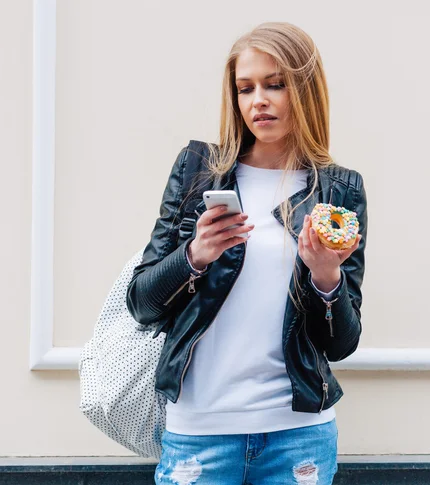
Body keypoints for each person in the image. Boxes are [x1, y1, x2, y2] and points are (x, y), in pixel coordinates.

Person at [126, 21, 367, 485]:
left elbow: (340, 345)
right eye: (245, 88)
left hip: (298, 438)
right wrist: (195, 254)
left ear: (306, 90)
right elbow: (142, 305)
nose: (259, 99)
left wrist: (325, 280)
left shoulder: (339, 190)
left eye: (276, 84)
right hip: (199, 435)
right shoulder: (199, 171)